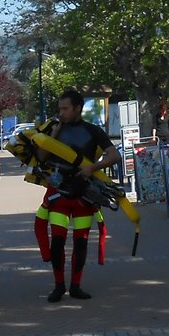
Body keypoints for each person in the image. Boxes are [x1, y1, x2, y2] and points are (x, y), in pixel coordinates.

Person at [33, 89, 121, 302]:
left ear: (78, 109)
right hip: (58, 195)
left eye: (65, 108)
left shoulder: (93, 131)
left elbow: (115, 155)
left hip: (84, 195)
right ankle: (58, 285)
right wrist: (51, 136)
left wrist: (93, 168)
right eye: (59, 108)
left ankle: (76, 286)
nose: (61, 112)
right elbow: (40, 157)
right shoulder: (54, 129)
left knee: (80, 243)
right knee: (58, 242)